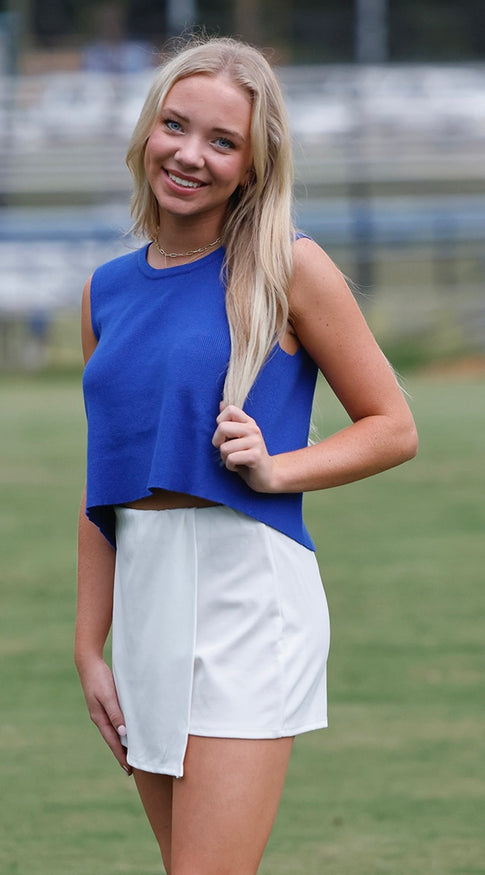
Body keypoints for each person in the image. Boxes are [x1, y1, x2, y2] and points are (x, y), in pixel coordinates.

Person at [75, 35, 418, 875]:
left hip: (246, 595)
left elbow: (391, 424)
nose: (189, 154)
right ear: (146, 132)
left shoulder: (286, 265)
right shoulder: (105, 290)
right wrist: (90, 644)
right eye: (175, 126)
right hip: (145, 595)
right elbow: (102, 484)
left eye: (222, 141)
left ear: (253, 163)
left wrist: (277, 468)